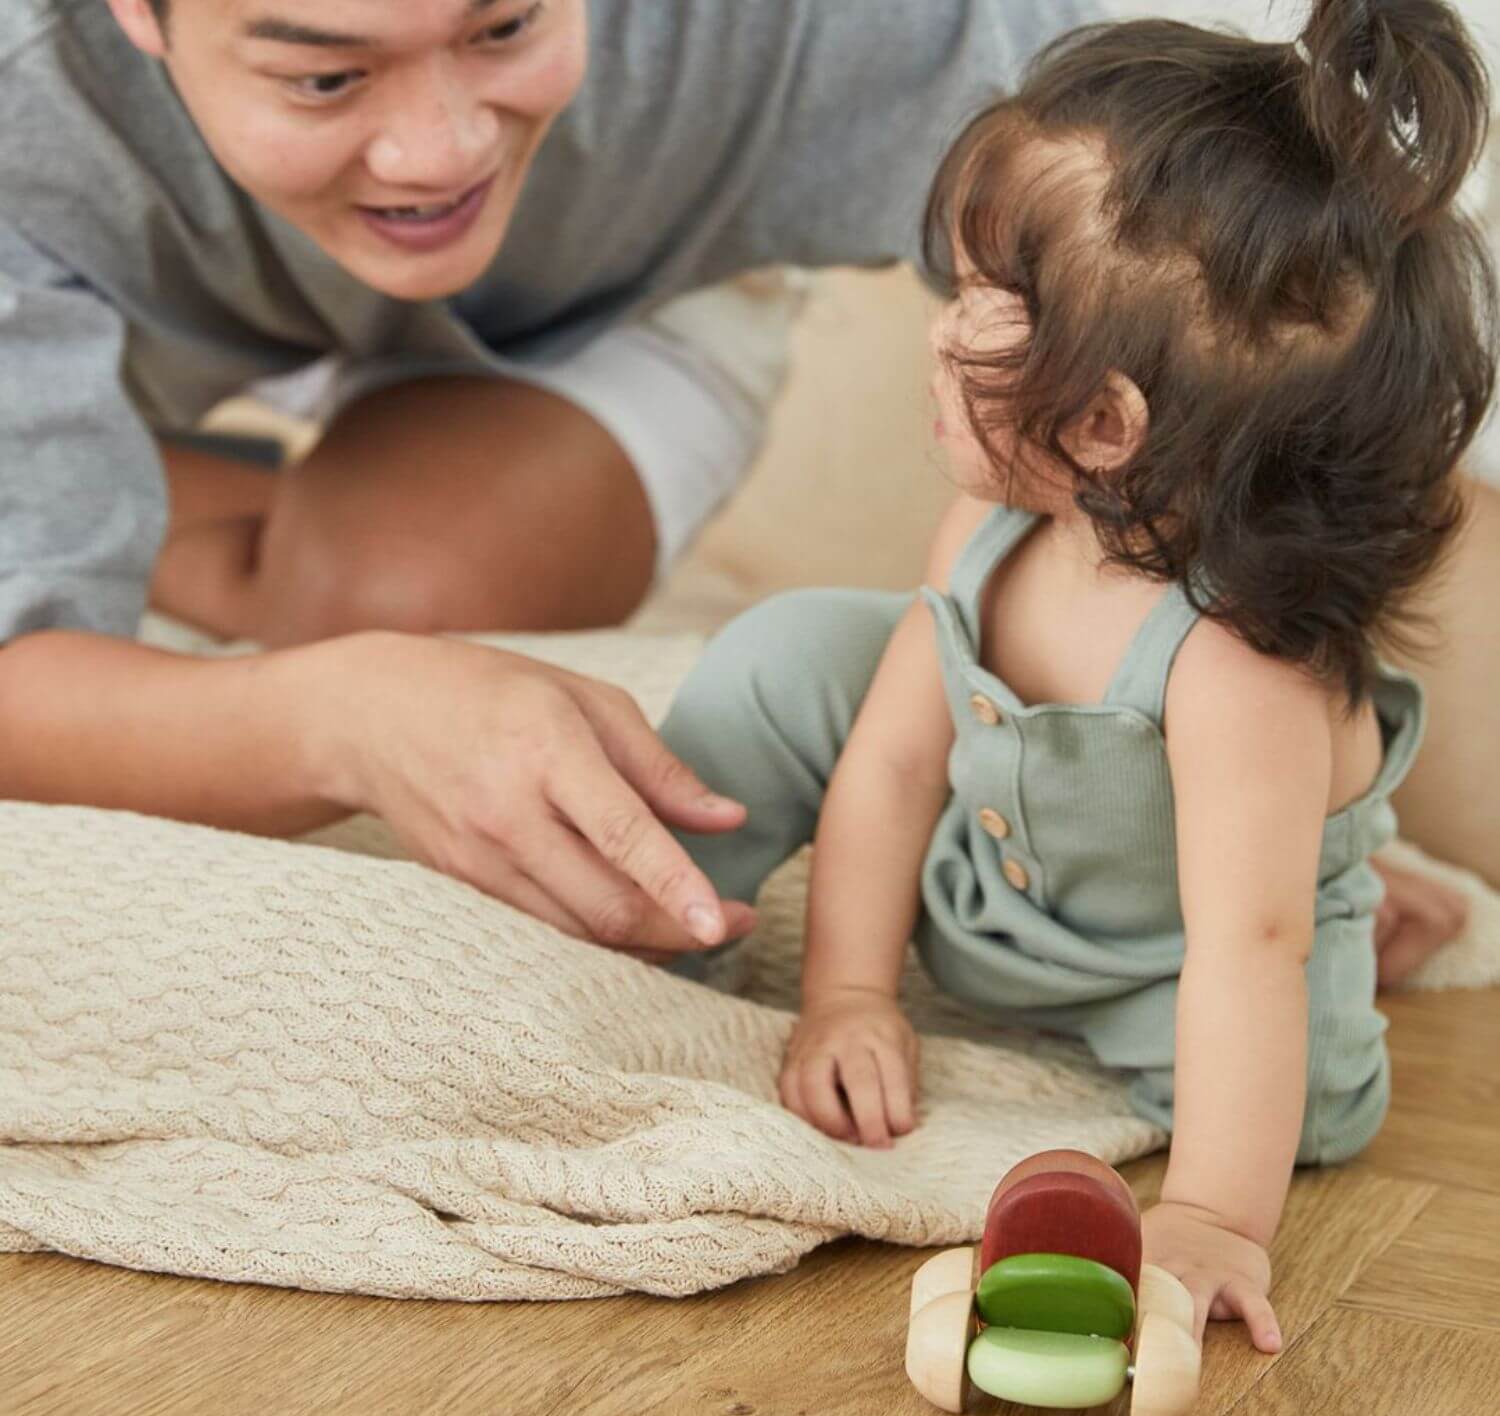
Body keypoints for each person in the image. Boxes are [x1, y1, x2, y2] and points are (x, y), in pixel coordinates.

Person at [0, 0, 1470, 973]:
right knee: (330, 656)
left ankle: (200, 508)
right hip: (134, 331)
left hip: (614, 305)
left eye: (505, 21)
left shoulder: (820, 28)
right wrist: (340, 713)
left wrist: (1306, 810)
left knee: (390, 596)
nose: (435, 144)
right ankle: (108, 474)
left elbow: (1206, 344)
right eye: (324, 72)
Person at [657, 0, 1496, 1347]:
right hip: (989, 899)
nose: (938, 329)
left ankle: (1347, 880)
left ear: (1105, 424)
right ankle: (662, 922)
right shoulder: (992, 530)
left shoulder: (1237, 676)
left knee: (1306, 1066)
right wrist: (851, 994)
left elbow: (1242, 952)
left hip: (1165, 971)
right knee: (788, 655)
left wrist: (1220, 1215)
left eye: (986, 302)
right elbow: (888, 762)